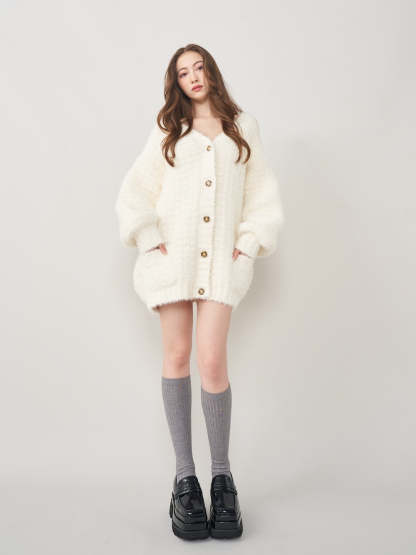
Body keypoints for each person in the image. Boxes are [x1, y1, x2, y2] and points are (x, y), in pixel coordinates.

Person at [115, 43, 285, 540]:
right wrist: (151, 239)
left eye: (199, 67)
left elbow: (261, 196)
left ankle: (222, 480)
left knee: (212, 363)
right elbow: (135, 191)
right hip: (174, 261)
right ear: (176, 82)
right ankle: (185, 481)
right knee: (177, 355)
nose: (193, 76)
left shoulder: (242, 127)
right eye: (183, 72)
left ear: (211, 72)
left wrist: (247, 247)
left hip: (221, 266)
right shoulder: (169, 128)